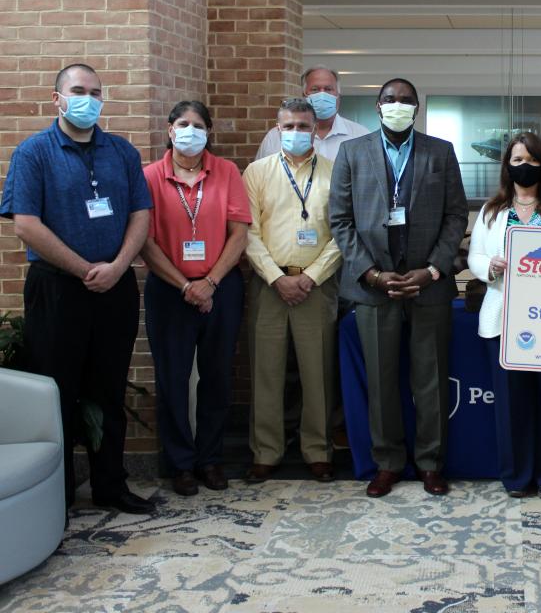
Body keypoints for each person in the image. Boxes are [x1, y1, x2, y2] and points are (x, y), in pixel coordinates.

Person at [0, 63, 154, 514]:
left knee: (109, 389)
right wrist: (86, 268)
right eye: (79, 90)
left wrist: (118, 266)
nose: (88, 99)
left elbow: (140, 215)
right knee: (58, 390)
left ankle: (111, 485)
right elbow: (26, 225)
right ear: (58, 99)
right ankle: (59, 494)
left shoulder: (121, 152)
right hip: (58, 289)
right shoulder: (34, 153)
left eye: (96, 92)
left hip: (116, 287)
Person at [328, 77, 467, 498]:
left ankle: (430, 464)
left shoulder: (440, 153)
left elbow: (455, 216)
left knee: (431, 380)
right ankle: (387, 463)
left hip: (428, 286)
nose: (398, 105)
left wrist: (434, 270)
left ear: (417, 108)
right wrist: (370, 273)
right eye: (390, 100)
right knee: (382, 382)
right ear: (377, 105)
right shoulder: (352, 153)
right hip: (374, 286)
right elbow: (340, 220)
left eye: (406, 101)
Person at [141, 101, 251, 496]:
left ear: (209, 131)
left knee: (217, 377)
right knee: (172, 378)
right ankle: (180, 463)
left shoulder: (226, 172)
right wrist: (186, 286)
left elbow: (238, 232)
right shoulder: (150, 176)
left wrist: (211, 282)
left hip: (221, 287)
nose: (190, 130)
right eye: (183, 124)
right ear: (170, 130)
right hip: (169, 291)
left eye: (198, 125)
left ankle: (210, 459)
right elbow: (146, 241)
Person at [468, 133, 541, 500]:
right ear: (506, 166)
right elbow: (475, 258)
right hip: (503, 318)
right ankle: (517, 477)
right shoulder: (492, 210)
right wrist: (492, 265)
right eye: (517, 160)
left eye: (531, 160)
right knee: (511, 404)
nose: (524, 167)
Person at [243, 98, 342, 483]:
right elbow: (247, 232)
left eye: (304, 126)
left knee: (318, 372)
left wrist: (312, 276)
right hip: (270, 285)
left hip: (317, 286)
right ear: (277, 129)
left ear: (316, 130)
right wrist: (276, 277)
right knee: (265, 372)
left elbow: (341, 234)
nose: (296, 133)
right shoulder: (257, 172)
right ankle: (265, 452)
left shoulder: (336, 172)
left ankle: (317, 450)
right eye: (289, 127)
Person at [255, 66, 369, 161]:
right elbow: (260, 174)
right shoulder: (276, 137)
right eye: (315, 89)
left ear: (338, 95)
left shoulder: (361, 136)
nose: (322, 95)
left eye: (328, 89)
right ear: (304, 95)